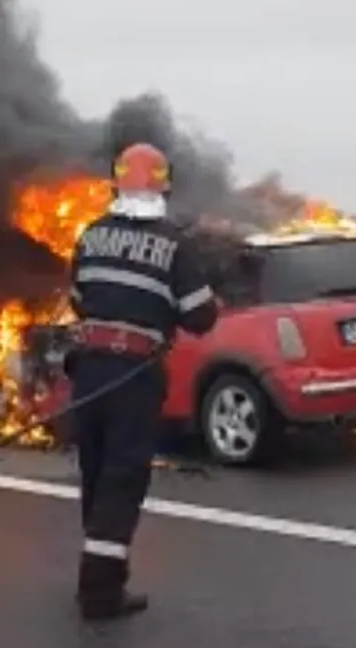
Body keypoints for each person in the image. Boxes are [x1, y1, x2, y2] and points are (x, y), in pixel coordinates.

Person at [65, 142, 219, 621]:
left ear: (115, 182)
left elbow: (77, 298)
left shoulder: (90, 235)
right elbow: (200, 317)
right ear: (163, 185)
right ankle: (101, 594)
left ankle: (94, 575)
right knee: (123, 475)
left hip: (88, 368)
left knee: (95, 470)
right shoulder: (175, 244)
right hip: (133, 374)